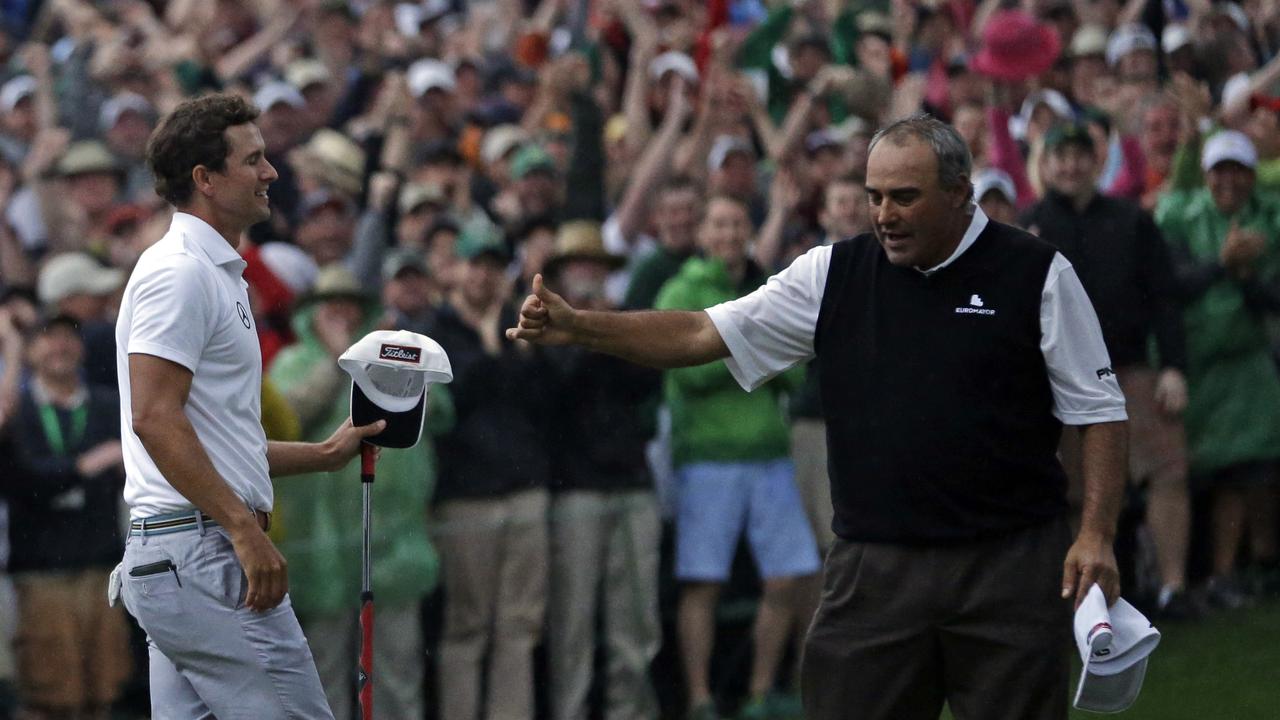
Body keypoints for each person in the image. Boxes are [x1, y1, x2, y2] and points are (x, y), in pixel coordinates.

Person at [508, 114, 1129, 720]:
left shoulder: (1038, 273)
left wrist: (1097, 532)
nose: (884, 214)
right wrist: (584, 326)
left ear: (961, 193)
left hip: (1007, 566)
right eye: (874, 196)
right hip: (874, 567)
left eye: (905, 197)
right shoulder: (831, 273)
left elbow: (1099, 410)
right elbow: (701, 332)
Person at [116, 93, 383, 719]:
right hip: (203, 553)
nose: (272, 173)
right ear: (205, 180)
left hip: (186, 553)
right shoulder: (180, 272)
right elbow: (154, 418)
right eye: (254, 160)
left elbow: (208, 442)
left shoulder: (215, 273)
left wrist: (322, 455)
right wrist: (242, 528)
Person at [654, 194, 819, 720]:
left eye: (737, 223)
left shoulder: (763, 287)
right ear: (702, 232)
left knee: (788, 578)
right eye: (719, 224)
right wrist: (752, 351)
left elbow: (796, 368)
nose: (728, 234)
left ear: (749, 229)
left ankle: (758, 694)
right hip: (708, 459)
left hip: (769, 455)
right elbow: (686, 370)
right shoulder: (682, 290)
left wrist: (730, 348)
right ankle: (700, 699)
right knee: (703, 581)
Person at [1023, 121, 1194, 618]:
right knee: (1075, 492)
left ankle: (1174, 590)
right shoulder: (1029, 227)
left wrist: (1175, 367)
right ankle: (1090, 601)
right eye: (1061, 156)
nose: (1071, 165)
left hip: (1134, 367)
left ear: (1097, 161)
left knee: (1168, 473)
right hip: (1062, 383)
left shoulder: (1133, 220)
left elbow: (1165, 298)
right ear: (1047, 164)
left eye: (1080, 155)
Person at [269, 265, 454, 720]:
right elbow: (283, 418)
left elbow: (443, 413)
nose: (342, 316)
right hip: (321, 556)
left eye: (351, 306)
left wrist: (398, 362)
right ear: (310, 315)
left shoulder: (393, 360)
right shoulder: (292, 364)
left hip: (393, 547)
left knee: (397, 675)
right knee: (323, 675)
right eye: (331, 307)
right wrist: (336, 361)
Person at [1155, 130, 1280, 608]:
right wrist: (1222, 264)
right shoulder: (1177, 215)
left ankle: (1238, 569)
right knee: (1194, 473)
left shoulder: (1269, 219)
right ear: (1205, 176)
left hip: (1246, 359)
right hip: (1193, 361)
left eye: (1238, 171)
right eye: (1219, 170)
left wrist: (1246, 276)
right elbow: (1172, 284)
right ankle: (1190, 577)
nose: (1228, 180)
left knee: (1248, 468)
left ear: (1251, 177)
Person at [5, 315, 131, 719]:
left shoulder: (109, 404)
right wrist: (82, 466)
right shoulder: (17, 413)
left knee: (109, 685)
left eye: (67, 338)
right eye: (46, 338)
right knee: (50, 688)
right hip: (40, 568)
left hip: (102, 562)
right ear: (29, 352)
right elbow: (17, 479)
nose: (59, 346)